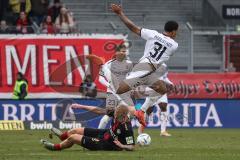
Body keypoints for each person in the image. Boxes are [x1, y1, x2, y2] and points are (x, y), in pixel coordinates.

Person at [110, 4, 179, 126]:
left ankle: (141, 111)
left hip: (147, 69)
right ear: (173, 32)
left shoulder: (153, 34)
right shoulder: (174, 45)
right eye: (176, 32)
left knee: (162, 89)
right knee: (119, 90)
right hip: (146, 68)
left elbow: (133, 27)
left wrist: (120, 13)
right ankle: (107, 75)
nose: (176, 34)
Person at [40, 104, 135, 151]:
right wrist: (80, 106)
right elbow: (97, 110)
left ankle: (55, 147)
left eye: (117, 117)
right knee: (76, 130)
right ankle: (62, 136)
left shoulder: (127, 128)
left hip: (106, 144)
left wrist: (122, 146)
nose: (115, 117)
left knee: (73, 138)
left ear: (124, 116)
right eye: (115, 115)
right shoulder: (116, 113)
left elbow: (132, 147)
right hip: (105, 133)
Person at [98, 44, 134, 129]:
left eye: (125, 52)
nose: (124, 53)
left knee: (130, 114)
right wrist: (109, 85)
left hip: (125, 94)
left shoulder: (129, 64)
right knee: (109, 114)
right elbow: (100, 79)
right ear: (116, 52)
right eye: (122, 51)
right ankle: (98, 134)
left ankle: (120, 132)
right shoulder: (108, 64)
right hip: (112, 94)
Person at [137, 63, 173, 136]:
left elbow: (164, 77)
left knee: (163, 106)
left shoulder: (164, 65)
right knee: (149, 110)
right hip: (152, 88)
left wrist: (170, 83)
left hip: (162, 88)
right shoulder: (150, 63)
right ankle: (141, 127)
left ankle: (163, 131)